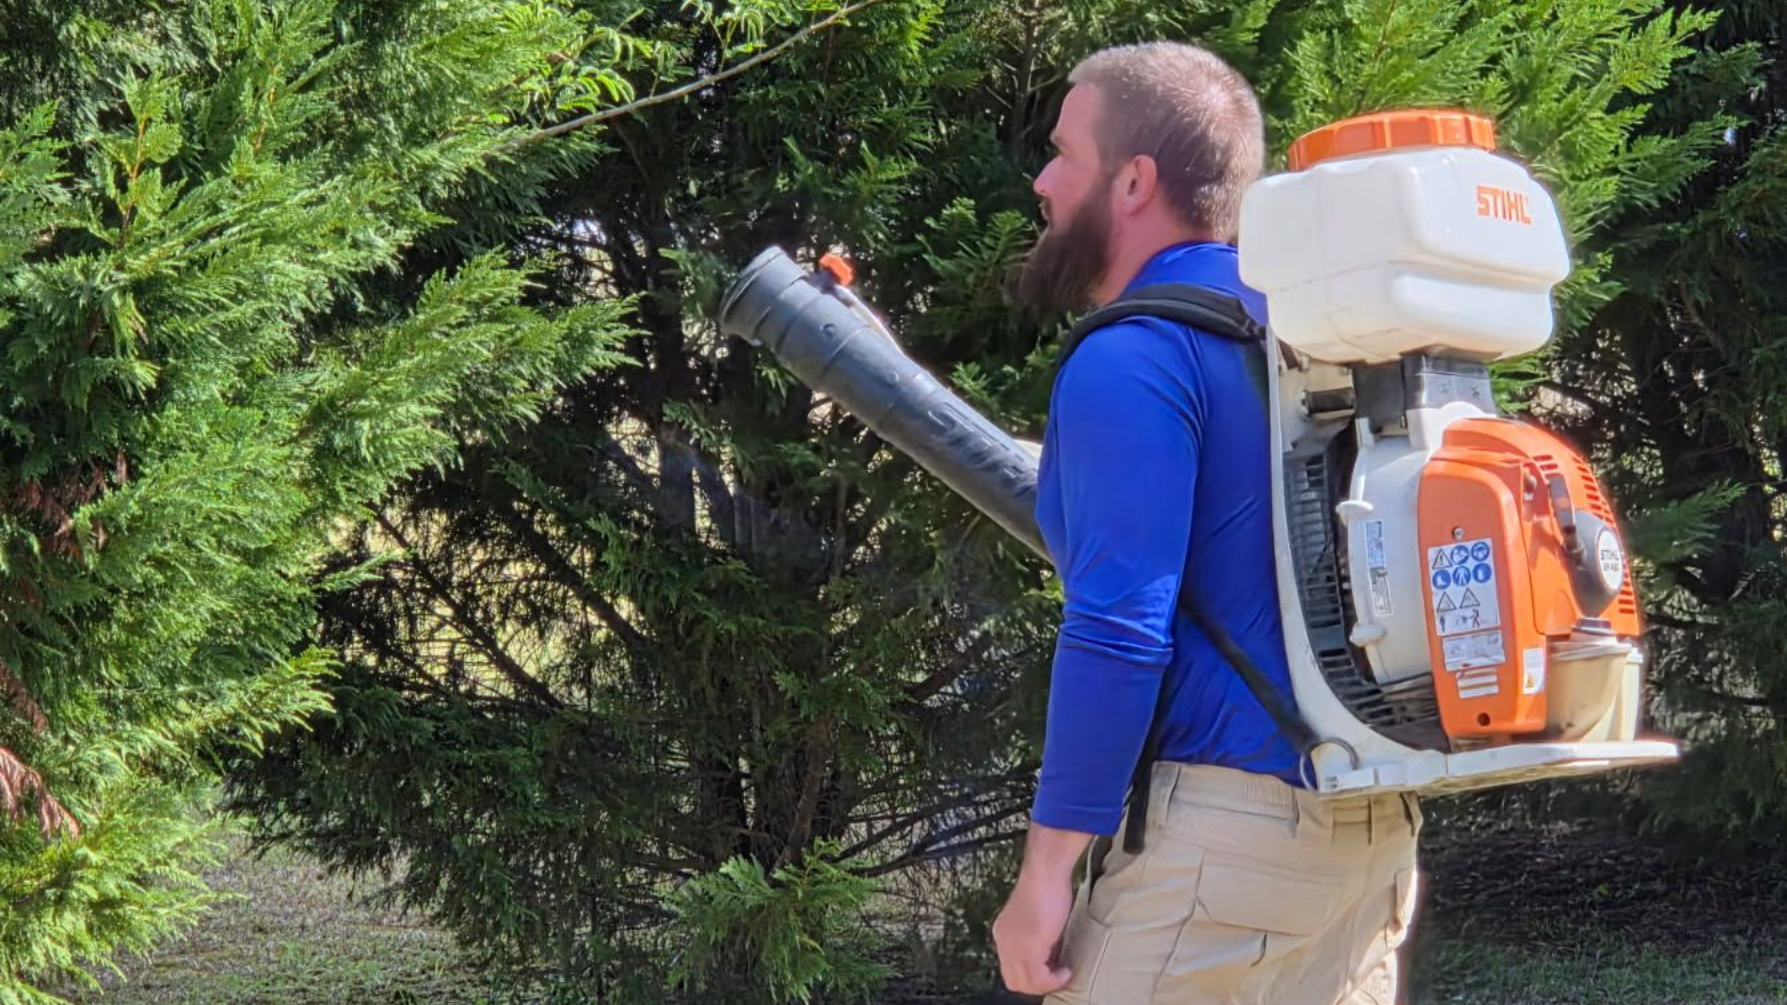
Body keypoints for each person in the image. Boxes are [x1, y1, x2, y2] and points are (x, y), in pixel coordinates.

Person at [991, 41, 1422, 1005]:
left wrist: (1044, 875)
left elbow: (1117, 629)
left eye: (1064, 151)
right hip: (1370, 821)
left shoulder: (1134, 357)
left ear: (1133, 179)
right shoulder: (1319, 331)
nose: (1043, 178)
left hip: (1219, 857)